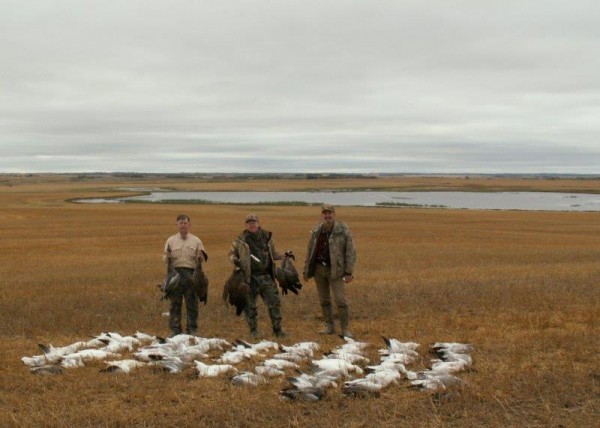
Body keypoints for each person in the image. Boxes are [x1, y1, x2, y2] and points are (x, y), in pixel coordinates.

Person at [229, 214, 287, 338]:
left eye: (254, 222)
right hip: (249, 278)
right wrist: (234, 259)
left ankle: (278, 330)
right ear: (246, 225)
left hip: (267, 277)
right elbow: (232, 253)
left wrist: (284, 256)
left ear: (258, 223)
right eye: (249, 223)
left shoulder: (267, 237)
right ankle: (253, 331)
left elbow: (274, 253)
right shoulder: (240, 240)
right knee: (250, 306)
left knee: (274, 304)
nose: (252, 224)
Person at [303, 204, 356, 338]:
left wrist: (348, 272)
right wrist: (306, 270)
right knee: (324, 300)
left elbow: (350, 251)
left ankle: (345, 329)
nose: (327, 216)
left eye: (329, 213)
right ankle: (329, 326)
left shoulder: (342, 230)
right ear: (322, 215)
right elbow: (310, 251)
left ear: (334, 214)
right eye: (325, 213)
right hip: (319, 269)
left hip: (336, 270)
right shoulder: (317, 230)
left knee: (340, 300)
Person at [163, 214, 207, 336]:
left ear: (189, 225)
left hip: (191, 275)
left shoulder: (196, 241)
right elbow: (165, 258)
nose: (183, 225)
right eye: (180, 223)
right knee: (175, 304)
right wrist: (166, 257)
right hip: (175, 275)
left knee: (192, 303)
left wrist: (200, 257)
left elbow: (203, 258)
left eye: (185, 223)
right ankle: (175, 330)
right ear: (177, 225)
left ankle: (192, 329)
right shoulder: (170, 241)